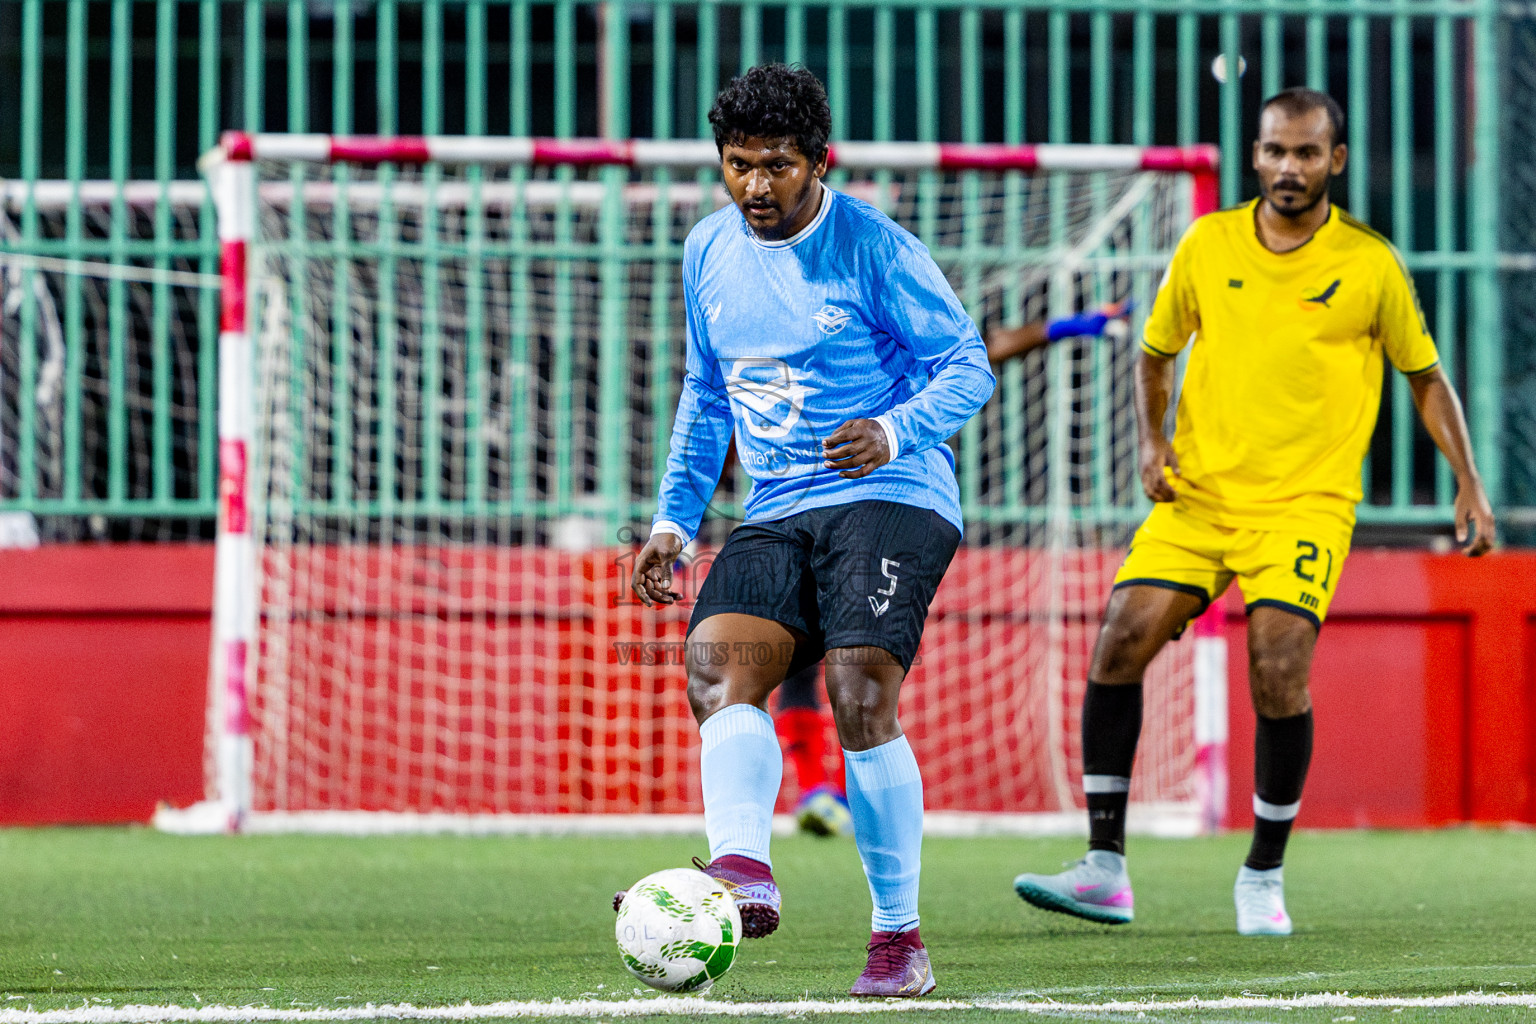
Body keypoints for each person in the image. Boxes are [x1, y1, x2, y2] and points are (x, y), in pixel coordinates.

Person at [1011, 87, 1495, 937]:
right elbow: (1156, 351)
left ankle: (1263, 874)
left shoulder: (1369, 263)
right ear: (1258, 155)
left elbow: (1424, 376)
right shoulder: (1209, 243)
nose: (1288, 167)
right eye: (1275, 150)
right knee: (1123, 632)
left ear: (1334, 162)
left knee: (1276, 659)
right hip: (1199, 497)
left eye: (1307, 153)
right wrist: (1152, 449)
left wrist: (1469, 481)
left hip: (1305, 505)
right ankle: (1104, 867)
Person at [622, 63, 994, 997]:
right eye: (738, 165)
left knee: (858, 687)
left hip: (894, 489)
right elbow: (706, 394)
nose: (756, 186)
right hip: (778, 506)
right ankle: (742, 869)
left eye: (777, 166)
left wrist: (896, 426)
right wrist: (674, 518)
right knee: (717, 662)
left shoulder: (874, 246)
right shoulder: (707, 250)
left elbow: (968, 364)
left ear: (818, 162)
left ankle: (897, 939)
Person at [776, 664, 852, 836]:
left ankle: (823, 806)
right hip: (801, 715)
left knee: (811, 775)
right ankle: (829, 808)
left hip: (796, 715)